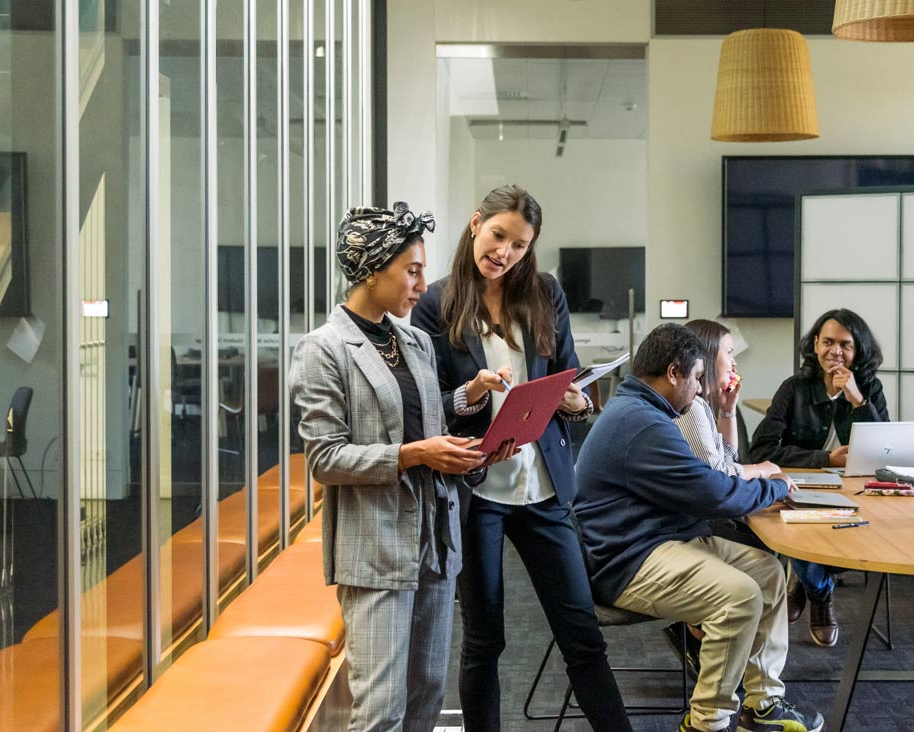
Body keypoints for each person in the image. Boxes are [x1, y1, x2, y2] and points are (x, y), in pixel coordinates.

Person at [411, 185, 631, 732]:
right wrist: (475, 393)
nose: (505, 251)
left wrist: (578, 400)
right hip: (477, 491)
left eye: (520, 244)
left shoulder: (545, 293)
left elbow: (569, 374)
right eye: (498, 235)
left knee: (581, 632)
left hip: (543, 486)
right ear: (475, 225)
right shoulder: (436, 303)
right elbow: (424, 405)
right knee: (485, 640)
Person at [290, 203, 513, 732]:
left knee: (426, 695)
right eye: (411, 270)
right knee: (381, 709)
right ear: (372, 269)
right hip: (376, 545)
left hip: (434, 540)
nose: (421, 283)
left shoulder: (412, 340)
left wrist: (473, 439)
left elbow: (427, 418)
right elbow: (325, 458)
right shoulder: (324, 350)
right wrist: (416, 455)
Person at [574, 323, 825, 732]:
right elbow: (716, 495)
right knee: (740, 596)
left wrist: (761, 487)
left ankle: (763, 704)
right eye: (694, 378)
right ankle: (708, 723)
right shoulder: (644, 426)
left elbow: (711, 486)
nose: (700, 390)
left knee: (767, 573)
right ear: (673, 372)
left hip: (657, 540)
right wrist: (773, 488)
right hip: (627, 562)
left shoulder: (645, 412)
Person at [748, 308, 889, 647]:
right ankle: (821, 594)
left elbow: (887, 451)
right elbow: (760, 451)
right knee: (799, 527)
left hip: (860, 490)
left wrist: (858, 400)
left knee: (878, 530)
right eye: (827, 342)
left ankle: (805, 582)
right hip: (807, 486)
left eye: (845, 344)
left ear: (859, 351)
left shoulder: (869, 387)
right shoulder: (794, 389)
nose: (835, 351)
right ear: (814, 344)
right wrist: (824, 458)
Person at [665, 319, 780, 671]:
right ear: (707, 355)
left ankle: (709, 637)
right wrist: (763, 469)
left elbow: (726, 460)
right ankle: (702, 631)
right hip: (685, 521)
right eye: (729, 353)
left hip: (695, 510)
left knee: (759, 543)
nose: (734, 362)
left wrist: (728, 410)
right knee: (760, 546)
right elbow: (720, 477)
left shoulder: (703, 404)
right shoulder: (692, 406)